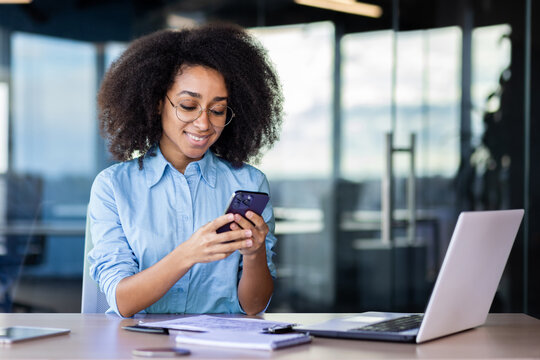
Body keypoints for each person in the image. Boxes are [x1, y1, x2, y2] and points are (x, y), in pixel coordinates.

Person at [87, 23, 283, 318]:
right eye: (188, 106)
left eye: (217, 110)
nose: (204, 124)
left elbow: (255, 306)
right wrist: (189, 253)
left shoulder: (249, 182)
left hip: (221, 347)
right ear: (156, 103)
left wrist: (254, 254)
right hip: (140, 347)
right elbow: (123, 301)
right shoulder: (113, 187)